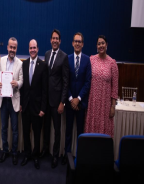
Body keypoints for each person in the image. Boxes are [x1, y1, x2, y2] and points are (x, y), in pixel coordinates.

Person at [40, 29, 69, 169]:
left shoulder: (64, 57)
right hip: (46, 100)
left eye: (57, 38)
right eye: (53, 38)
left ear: (60, 41)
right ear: (50, 40)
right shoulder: (46, 53)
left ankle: (55, 155)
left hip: (57, 102)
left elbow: (65, 82)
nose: (55, 40)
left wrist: (62, 102)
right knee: (46, 128)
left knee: (57, 130)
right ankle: (45, 150)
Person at [61, 32, 91, 165]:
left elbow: (87, 82)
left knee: (80, 132)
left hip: (81, 103)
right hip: (69, 102)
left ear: (82, 44)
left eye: (80, 41)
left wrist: (78, 98)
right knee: (68, 132)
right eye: (75, 41)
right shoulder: (67, 59)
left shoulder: (87, 60)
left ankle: (79, 157)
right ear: (72, 43)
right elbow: (65, 81)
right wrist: (70, 99)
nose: (77, 43)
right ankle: (67, 156)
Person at [20, 39, 48, 169]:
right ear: (28, 49)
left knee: (37, 133)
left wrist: (43, 108)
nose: (32, 50)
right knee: (26, 132)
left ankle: (35, 156)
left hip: (37, 108)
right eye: (30, 48)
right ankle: (27, 155)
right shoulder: (24, 64)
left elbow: (44, 90)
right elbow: (23, 87)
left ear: (38, 49)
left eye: (34, 48)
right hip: (25, 106)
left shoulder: (43, 65)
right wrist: (20, 104)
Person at [84, 35, 118, 137]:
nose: (101, 46)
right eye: (99, 44)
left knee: (104, 132)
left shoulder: (112, 63)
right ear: (96, 46)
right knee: (91, 131)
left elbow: (115, 87)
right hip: (92, 103)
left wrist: (112, 106)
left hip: (105, 105)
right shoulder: (91, 60)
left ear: (106, 45)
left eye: (103, 43)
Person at [0, 37, 23, 165]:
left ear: (16, 48)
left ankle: (14, 153)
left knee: (14, 129)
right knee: (3, 128)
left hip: (14, 100)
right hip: (3, 99)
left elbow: (22, 81)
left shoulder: (20, 63)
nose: (12, 49)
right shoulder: (1, 61)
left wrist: (17, 83)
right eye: (10, 47)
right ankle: (5, 151)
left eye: (14, 47)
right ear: (7, 47)